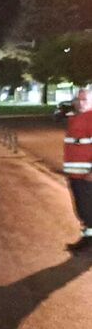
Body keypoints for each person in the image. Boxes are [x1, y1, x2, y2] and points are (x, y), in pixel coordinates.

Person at [64, 89, 92, 252]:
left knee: (88, 209)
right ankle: (87, 238)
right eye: (79, 99)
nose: (81, 103)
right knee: (83, 209)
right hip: (76, 174)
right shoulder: (78, 118)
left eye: (85, 100)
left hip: (86, 175)